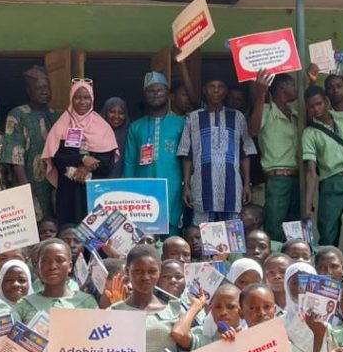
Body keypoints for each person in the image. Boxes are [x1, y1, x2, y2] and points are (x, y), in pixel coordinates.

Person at [301, 85, 343, 265]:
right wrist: (308, 205)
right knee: (328, 234)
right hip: (331, 182)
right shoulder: (309, 132)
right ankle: (328, 276)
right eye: (311, 106)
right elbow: (311, 170)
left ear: (327, 102)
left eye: (319, 104)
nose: (316, 109)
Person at [179, 76, 256, 224]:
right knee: (204, 236)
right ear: (204, 90)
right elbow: (186, 155)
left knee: (231, 236)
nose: (216, 90)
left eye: (220, 86)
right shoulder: (193, 118)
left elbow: (245, 153)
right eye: (211, 86)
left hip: (232, 188)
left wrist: (247, 184)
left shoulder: (237, 117)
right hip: (201, 187)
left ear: (226, 91)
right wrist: (186, 186)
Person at [42, 79, 117, 225]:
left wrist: (84, 168)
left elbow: (107, 163)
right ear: (71, 99)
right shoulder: (62, 125)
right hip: (68, 192)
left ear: (92, 99)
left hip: (95, 192)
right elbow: (56, 157)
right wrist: (81, 159)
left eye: (86, 97)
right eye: (77, 97)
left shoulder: (103, 127)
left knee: (94, 235)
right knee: (69, 232)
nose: (82, 102)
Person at [123, 73, 186, 236]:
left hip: (173, 188)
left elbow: (187, 160)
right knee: (142, 236)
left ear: (167, 94)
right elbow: (129, 162)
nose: (155, 94)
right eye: (150, 91)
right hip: (142, 191)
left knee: (171, 235)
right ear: (145, 96)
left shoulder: (181, 123)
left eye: (159, 90)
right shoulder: (136, 127)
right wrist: (128, 191)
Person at [249, 72, 300, 240]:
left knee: (296, 228)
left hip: (297, 178)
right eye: (293, 85)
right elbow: (253, 130)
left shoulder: (295, 114)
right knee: (275, 228)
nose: (296, 89)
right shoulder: (267, 111)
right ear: (283, 88)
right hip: (277, 178)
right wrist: (261, 94)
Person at [5, 66, 59, 221]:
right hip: (28, 180)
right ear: (29, 91)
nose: (44, 91)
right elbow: (14, 154)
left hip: (53, 183)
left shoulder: (57, 116)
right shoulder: (18, 115)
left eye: (47, 88)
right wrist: (25, 188)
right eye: (39, 88)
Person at [98, 97, 129, 178]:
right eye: (112, 112)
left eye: (121, 113)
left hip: (123, 182)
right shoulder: (95, 132)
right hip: (98, 181)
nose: (116, 116)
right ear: (105, 112)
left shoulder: (130, 134)